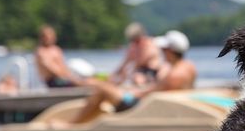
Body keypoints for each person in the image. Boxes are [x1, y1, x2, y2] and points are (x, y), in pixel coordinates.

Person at [65, 30, 196, 124]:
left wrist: (134, 92)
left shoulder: (174, 75)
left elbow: (153, 94)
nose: (161, 52)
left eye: (163, 49)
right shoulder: (189, 67)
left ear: (170, 51)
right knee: (109, 88)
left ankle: (72, 125)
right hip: (158, 104)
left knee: (102, 88)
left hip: (144, 107)